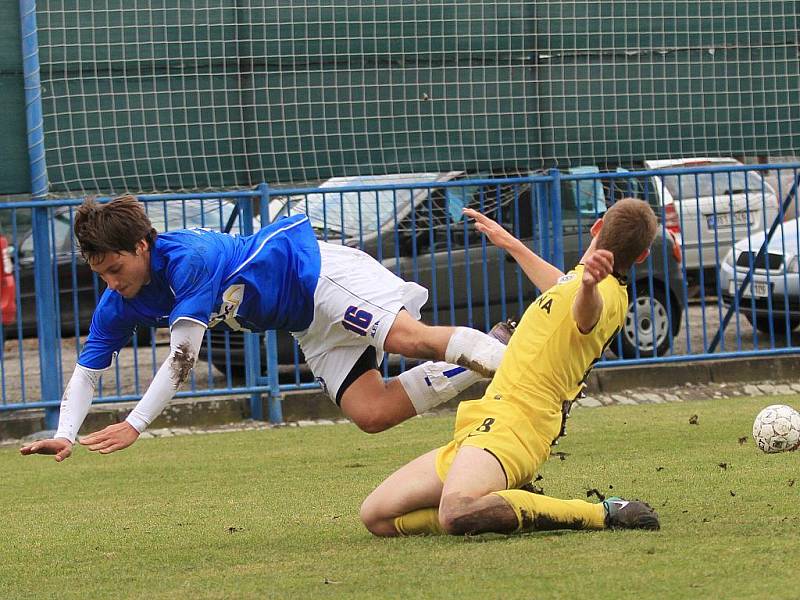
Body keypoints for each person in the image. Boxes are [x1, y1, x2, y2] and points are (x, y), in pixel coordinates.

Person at [21, 195, 511, 462]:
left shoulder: (188, 260)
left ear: (143, 246)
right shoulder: (118, 301)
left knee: (407, 339)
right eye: (101, 274)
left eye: (115, 268)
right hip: (305, 320)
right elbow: (87, 371)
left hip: (320, 274)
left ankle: (523, 363)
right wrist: (67, 433)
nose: (111, 283)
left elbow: (183, 356)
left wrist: (134, 424)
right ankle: (500, 347)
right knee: (372, 412)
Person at [359, 199, 661, 538]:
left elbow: (585, 314)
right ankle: (504, 505)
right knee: (376, 516)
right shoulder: (575, 281)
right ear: (642, 256)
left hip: (519, 425)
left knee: (455, 512)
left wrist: (590, 284)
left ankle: (602, 512)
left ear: (596, 227)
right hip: (488, 420)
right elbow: (562, 287)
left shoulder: (604, 293)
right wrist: (509, 242)